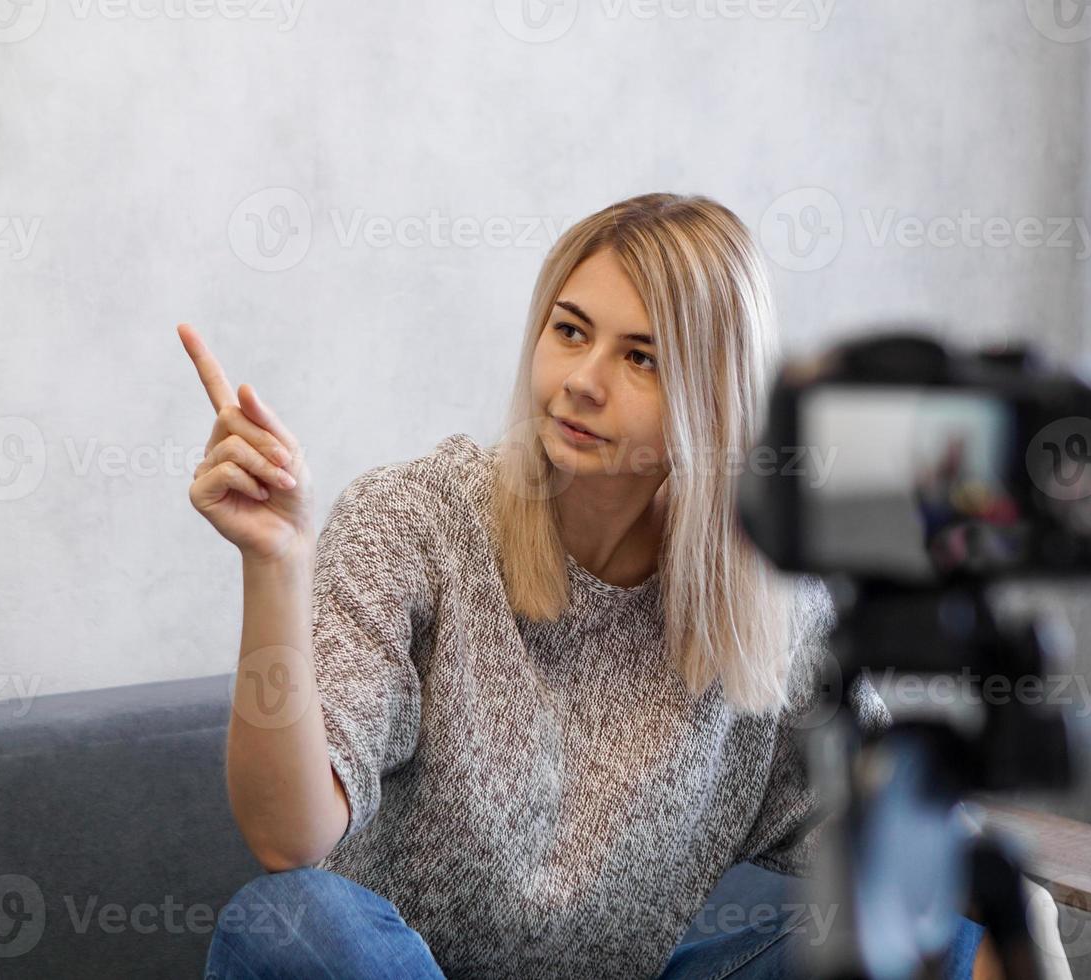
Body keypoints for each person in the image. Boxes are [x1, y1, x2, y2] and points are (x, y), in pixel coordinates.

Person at [181, 193, 998, 978]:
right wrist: (277, 562)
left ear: (716, 399)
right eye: (570, 332)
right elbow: (289, 841)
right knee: (293, 920)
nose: (583, 379)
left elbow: (920, 855)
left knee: (936, 922)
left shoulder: (775, 611)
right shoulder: (416, 520)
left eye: (640, 356)